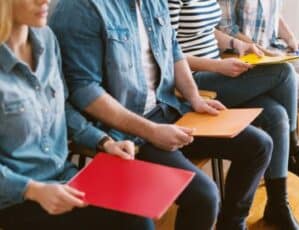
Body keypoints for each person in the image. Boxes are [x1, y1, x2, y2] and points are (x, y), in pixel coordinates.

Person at [49, 0, 272, 229]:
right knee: (204, 196)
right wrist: (151, 131)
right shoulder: (80, 8)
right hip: (128, 133)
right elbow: (83, 90)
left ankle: (232, 225)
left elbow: (173, 49)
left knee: (259, 145)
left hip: (168, 110)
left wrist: (194, 97)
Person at [0, 0, 154, 229]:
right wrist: (33, 190)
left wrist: (103, 142)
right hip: (15, 200)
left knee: (135, 202)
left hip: (63, 178)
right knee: (133, 217)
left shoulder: (46, 38)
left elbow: (62, 107)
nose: (45, 1)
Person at [168, 0, 299, 229]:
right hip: (192, 79)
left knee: (277, 115)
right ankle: (295, 151)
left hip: (216, 70)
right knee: (283, 71)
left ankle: (277, 205)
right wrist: (216, 67)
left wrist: (236, 44)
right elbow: (166, 51)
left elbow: (208, 28)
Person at [217, 0, 299, 181]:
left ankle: (282, 145)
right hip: (248, 54)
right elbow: (226, 28)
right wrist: (263, 52)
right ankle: (291, 151)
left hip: (274, 47)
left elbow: (274, 15)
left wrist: (290, 38)